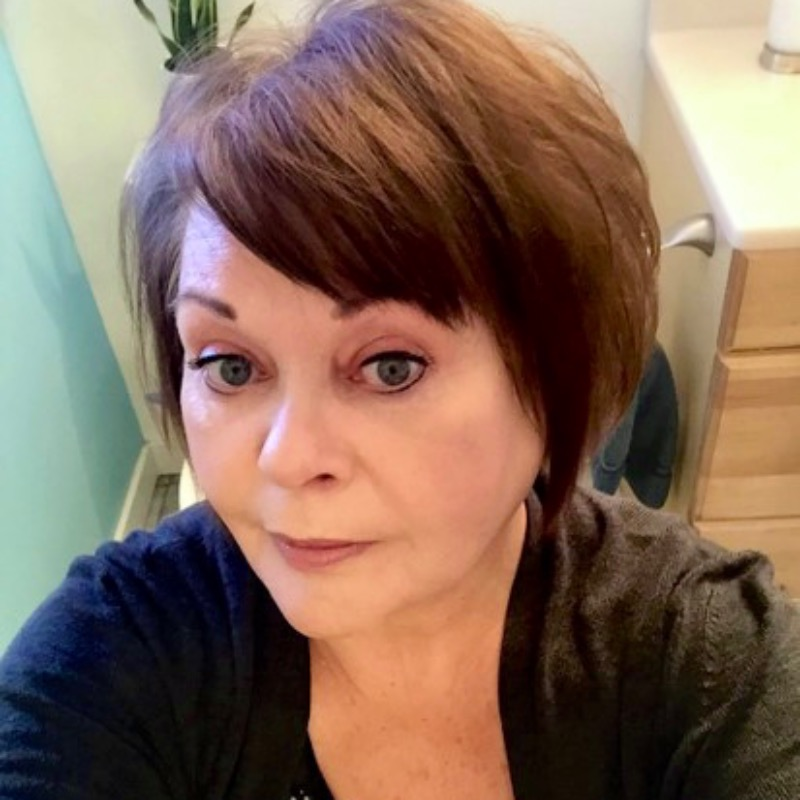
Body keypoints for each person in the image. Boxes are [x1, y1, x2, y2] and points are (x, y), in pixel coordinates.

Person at [1, 0, 798, 797]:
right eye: (231, 367)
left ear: (557, 373)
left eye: (389, 367)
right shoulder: (112, 659)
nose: (288, 459)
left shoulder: (700, 660)